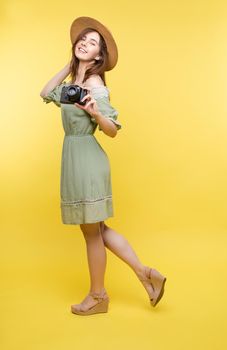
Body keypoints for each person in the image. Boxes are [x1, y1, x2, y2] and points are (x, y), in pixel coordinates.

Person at [40, 16, 167, 316]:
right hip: (75, 157)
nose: (84, 43)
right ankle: (146, 274)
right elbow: (46, 93)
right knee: (97, 229)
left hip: (87, 159)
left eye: (92, 42)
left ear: (99, 55)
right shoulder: (75, 83)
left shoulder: (95, 85)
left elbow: (112, 130)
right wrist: (70, 67)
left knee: (92, 233)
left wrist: (96, 114)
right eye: (82, 39)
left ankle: (98, 296)